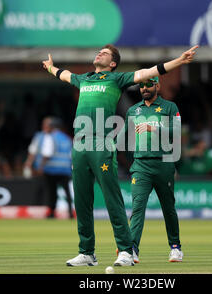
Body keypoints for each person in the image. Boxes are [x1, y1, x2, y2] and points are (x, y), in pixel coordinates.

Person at [42, 44, 198, 266]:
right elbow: (65, 75)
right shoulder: (84, 79)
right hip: (80, 144)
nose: (99, 54)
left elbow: (149, 72)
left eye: (105, 53)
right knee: (82, 200)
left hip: (102, 142)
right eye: (99, 52)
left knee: (112, 198)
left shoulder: (117, 79)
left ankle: (125, 250)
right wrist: (50, 67)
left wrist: (179, 61)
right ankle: (87, 252)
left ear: (113, 63)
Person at [122, 76, 183, 263]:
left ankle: (175, 247)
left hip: (164, 163)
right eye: (141, 85)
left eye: (149, 84)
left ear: (158, 85)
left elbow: (178, 132)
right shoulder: (133, 110)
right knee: (137, 207)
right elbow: (123, 135)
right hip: (141, 165)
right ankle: (132, 249)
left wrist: (152, 128)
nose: (145, 88)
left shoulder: (170, 107)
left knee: (168, 207)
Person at [24, 117, 74, 219]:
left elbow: (47, 153)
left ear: (52, 127)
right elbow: (71, 155)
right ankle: (70, 213)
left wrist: (40, 167)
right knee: (67, 192)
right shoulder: (67, 138)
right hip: (65, 170)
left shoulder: (49, 137)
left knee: (51, 192)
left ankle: (51, 213)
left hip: (51, 170)